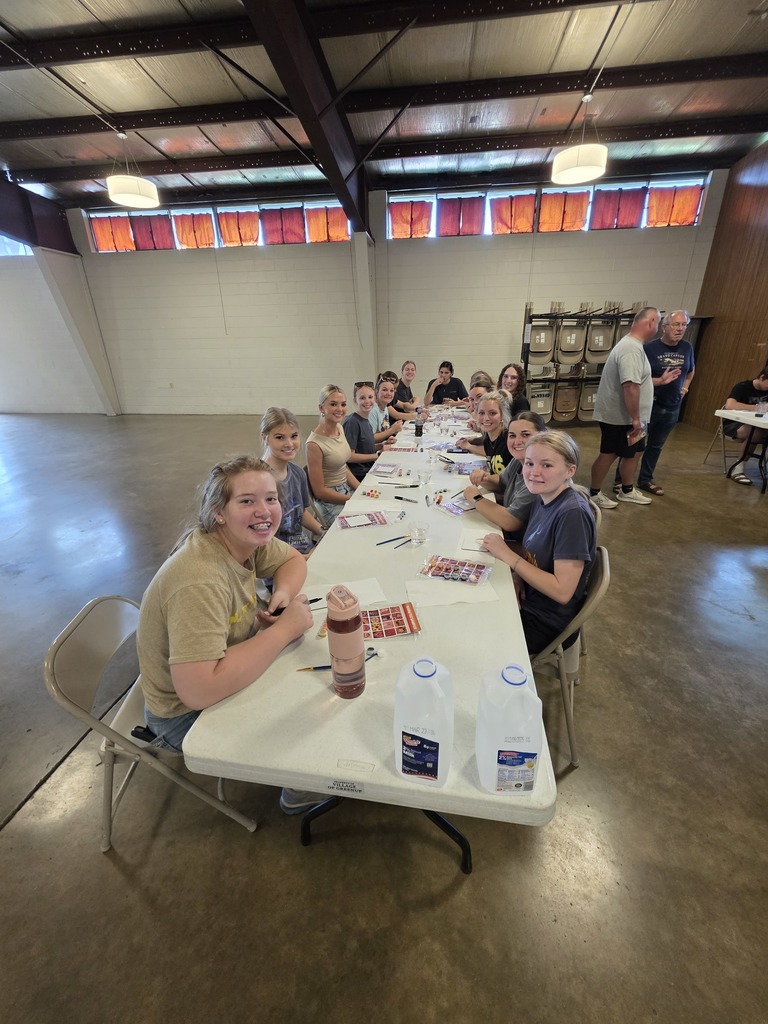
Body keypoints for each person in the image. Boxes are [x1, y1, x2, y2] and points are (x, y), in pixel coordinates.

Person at [136, 455, 313, 755]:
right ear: (218, 512)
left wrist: (281, 596)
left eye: (271, 498)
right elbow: (198, 691)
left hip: (219, 668)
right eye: (246, 501)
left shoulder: (245, 538)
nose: (264, 511)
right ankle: (299, 792)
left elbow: (292, 560)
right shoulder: (199, 579)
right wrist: (283, 630)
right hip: (182, 717)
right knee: (301, 724)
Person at [481, 431, 596, 656]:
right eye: (529, 463)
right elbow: (535, 552)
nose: (534, 473)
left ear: (569, 470)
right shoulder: (543, 496)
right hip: (531, 597)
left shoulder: (572, 514)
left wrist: (509, 558)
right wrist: (518, 578)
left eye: (547, 465)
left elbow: (562, 591)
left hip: (545, 621)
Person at [611, 310, 695, 496]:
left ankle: (645, 480)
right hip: (648, 405)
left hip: (672, 405)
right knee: (634, 444)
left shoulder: (687, 348)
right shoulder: (648, 349)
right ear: (664, 327)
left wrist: (685, 389)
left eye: (683, 325)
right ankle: (621, 480)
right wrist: (660, 381)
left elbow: (690, 371)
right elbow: (635, 379)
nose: (680, 329)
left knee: (656, 445)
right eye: (676, 324)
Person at [588, 305, 661, 509]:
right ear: (650, 322)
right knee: (609, 453)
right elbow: (630, 385)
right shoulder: (630, 348)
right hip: (621, 417)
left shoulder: (636, 347)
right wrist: (635, 418)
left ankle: (627, 490)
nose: (659, 328)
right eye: (659, 322)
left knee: (635, 453)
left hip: (634, 417)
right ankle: (594, 493)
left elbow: (640, 382)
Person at [463, 411, 547, 545]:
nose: (517, 441)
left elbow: (510, 521)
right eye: (512, 435)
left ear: (542, 436)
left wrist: (476, 498)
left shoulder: (538, 475)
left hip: (523, 545)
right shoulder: (519, 459)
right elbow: (502, 482)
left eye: (525, 435)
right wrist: (485, 479)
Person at [261, 408, 325, 557]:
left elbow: (299, 512)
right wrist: (305, 558)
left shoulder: (298, 473)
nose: (289, 443)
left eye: (294, 436)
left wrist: (323, 531)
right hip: (277, 560)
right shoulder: (259, 480)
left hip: (303, 549)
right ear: (265, 438)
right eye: (280, 437)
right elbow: (260, 541)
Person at [306, 384, 359, 527]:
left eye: (343, 404)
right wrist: (351, 500)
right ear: (322, 408)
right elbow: (320, 492)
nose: (340, 409)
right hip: (330, 501)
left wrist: (360, 489)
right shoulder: (314, 444)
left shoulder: (339, 428)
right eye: (333, 404)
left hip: (346, 489)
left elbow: (343, 466)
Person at [723, 364, 768, 485]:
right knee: (756, 432)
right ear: (762, 377)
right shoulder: (743, 387)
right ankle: (738, 469)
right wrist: (757, 408)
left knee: (759, 430)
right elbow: (729, 405)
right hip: (734, 424)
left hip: (760, 424)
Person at [455, 389, 512, 472]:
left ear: (502, 415)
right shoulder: (489, 438)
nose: (486, 418)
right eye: (481, 413)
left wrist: (468, 446)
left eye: (492, 413)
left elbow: (507, 480)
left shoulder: (509, 441)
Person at [344, 381, 385, 482]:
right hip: (360, 475)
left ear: (375, 399)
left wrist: (382, 445)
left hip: (370, 468)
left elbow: (363, 447)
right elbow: (349, 456)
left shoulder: (366, 420)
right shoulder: (352, 422)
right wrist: (377, 455)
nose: (367, 401)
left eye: (370, 397)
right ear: (355, 400)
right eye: (362, 398)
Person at [369, 372, 405, 440]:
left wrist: (394, 428)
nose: (388, 393)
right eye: (384, 390)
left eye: (391, 391)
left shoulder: (385, 408)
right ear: (376, 391)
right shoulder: (372, 411)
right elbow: (371, 438)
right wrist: (392, 430)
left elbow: (384, 431)